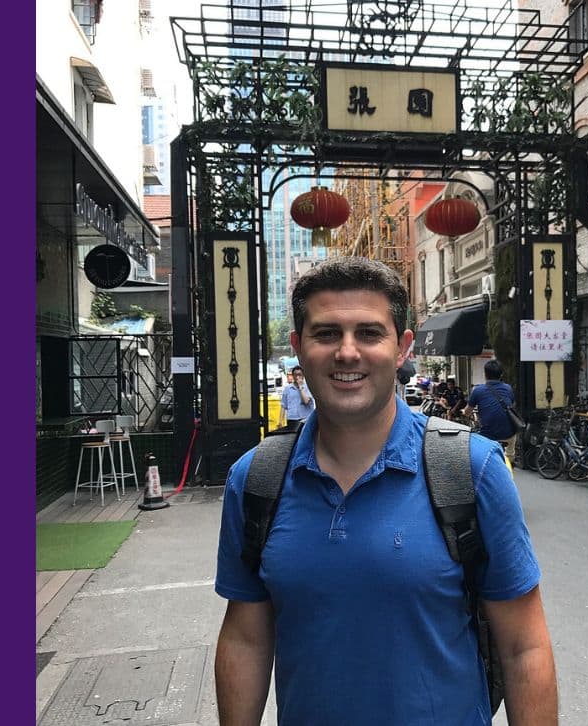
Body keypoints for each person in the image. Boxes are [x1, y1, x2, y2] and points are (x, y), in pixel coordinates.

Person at [214, 257, 557, 725]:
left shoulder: (471, 469)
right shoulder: (256, 478)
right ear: (298, 346)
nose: (348, 352)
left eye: (370, 333)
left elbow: (524, 646)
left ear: (402, 348)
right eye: (327, 333)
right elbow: (246, 638)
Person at [466, 359, 517, 448]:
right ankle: (510, 459)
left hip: (488, 436)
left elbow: (467, 412)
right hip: (509, 434)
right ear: (501, 374)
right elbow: (512, 405)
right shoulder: (508, 388)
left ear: (485, 374)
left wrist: (464, 412)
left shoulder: (478, 390)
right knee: (510, 454)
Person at [279, 366, 315, 431]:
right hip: (292, 419)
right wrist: (280, 421)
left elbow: (306, 401)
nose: (297, 377)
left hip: (305, 419)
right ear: (293, 376)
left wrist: (300, 386)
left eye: (299, 375)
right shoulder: (288, 389)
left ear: (303, 376)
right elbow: (283, 405)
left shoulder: (308, 387)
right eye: (295, 375)